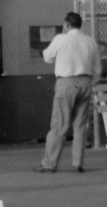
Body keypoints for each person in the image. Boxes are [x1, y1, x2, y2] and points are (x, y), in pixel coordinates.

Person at [35, 12, 102, 174]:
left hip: (66, 83)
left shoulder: (60, 39)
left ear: (66, 24)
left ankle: (49, 163)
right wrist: (89, 81)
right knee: (80, 125)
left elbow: (47, 57)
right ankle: (77, 163)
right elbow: (97, 70)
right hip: (85, 82)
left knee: (59, 124)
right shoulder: (90, 41)